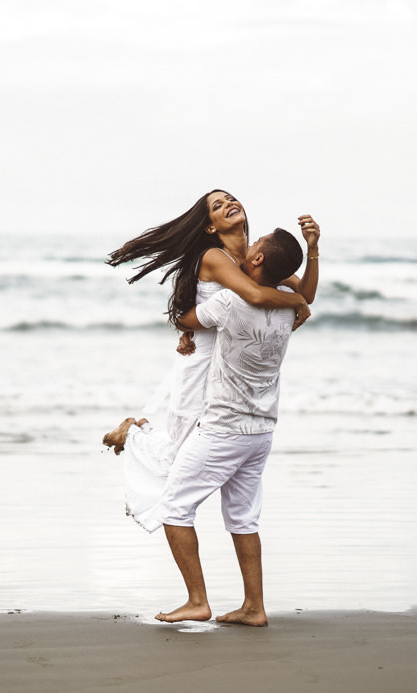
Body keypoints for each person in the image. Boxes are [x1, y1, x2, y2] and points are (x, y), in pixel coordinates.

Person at [101, 190, 320, 532]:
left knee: (189, 458)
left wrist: (312, 253)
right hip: (200, 361)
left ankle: (139, 439)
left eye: (231, 198)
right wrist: (294, 303)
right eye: (217, 206)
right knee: (178, 455)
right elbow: (255, 295)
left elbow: (303, 292)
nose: (228, 204)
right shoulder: (215, 258)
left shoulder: (255, 258)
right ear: (209, 227)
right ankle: (133, 433)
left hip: (229, 366)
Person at [154, 228, 306, 627]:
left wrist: (185, 322)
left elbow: (186, 318)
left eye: (256, 245)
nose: (249, 246)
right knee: (243, 518)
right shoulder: (290, 308)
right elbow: (289, 296)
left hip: (223, 428)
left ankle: (197, 601)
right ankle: (253, 607)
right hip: (262, 431)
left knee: (174, 507)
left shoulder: (230, 301)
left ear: (257, 260)